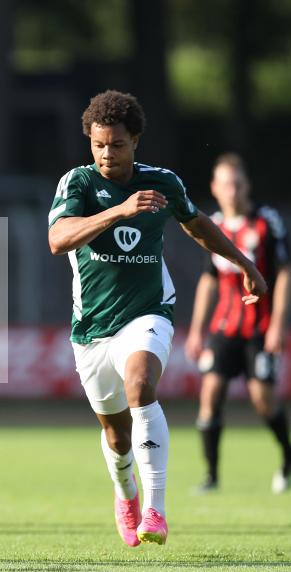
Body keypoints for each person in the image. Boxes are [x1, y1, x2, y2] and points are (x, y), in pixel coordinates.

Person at [47, 90, 268, 547]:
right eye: (100, 144)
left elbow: (196, 223)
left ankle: (156, 510)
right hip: (91, 327)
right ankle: (126, 493)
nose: (108, 154)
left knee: (141, 383)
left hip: (148, 311)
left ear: (136, 141)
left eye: (118, 144)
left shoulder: (162, 183)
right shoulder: (79, 184)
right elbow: (58, 239)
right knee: (115, 433)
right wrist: (119, 210)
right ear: (91, 141)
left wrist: (244, 264)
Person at [185, 153, 291, 494]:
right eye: (225, 184)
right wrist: (197, 329)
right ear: (215, 188)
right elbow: (209, 279)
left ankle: (287, 459)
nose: (233, 190)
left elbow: (285, 272)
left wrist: (278, 324)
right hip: (223, 329)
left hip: (259, 329)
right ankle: (211, 476)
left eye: (238, 183)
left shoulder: (266, 221)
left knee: (263, 400)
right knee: (210, 393)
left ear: (246, 185)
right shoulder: (211, 226)